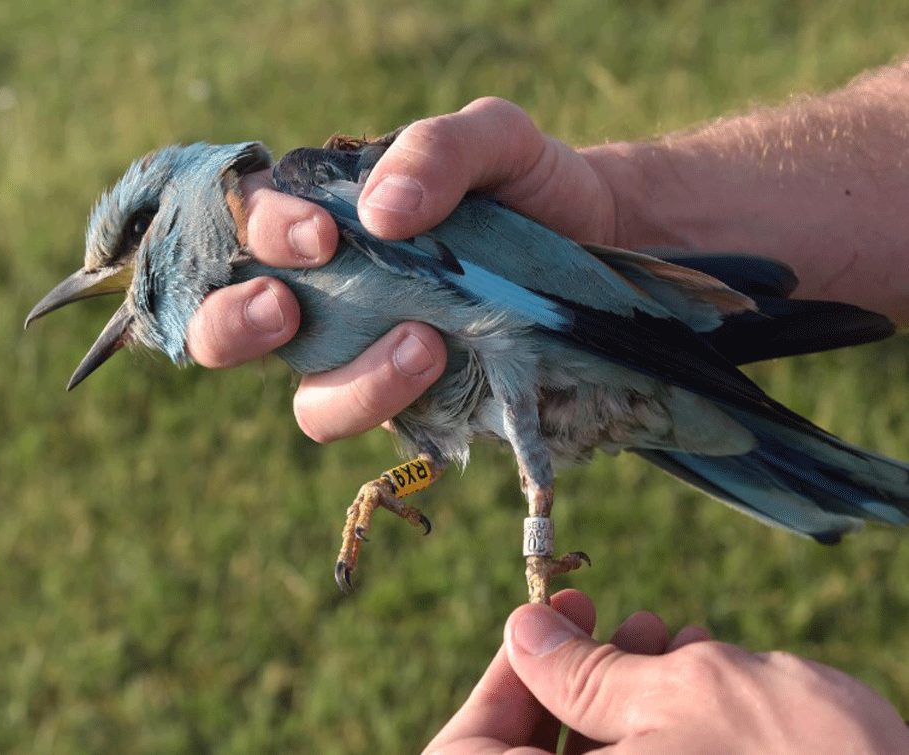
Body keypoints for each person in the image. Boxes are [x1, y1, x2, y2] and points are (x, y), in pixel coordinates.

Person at [185, 61, 909, 752]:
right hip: (584, 360)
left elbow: (536, 313)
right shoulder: (276, 295)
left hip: (597, 340)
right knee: (426, 439)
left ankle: (540, 560)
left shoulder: (313, 189)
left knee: (514, 404)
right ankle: (391, 492)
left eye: (127, 244)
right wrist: (387, 479)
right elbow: (445, 435)